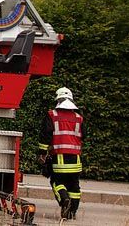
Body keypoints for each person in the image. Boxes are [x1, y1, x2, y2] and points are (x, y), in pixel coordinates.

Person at [39, 87, 84, 220]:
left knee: (56, 181)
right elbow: (84, 136)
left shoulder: (52, 115)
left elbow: (45, 135)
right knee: (74, 185)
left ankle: (64, 199)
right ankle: (71, 213)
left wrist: (42, 153)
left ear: (58, 100)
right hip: (76, 159)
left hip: (59, 158)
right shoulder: (79, 118)